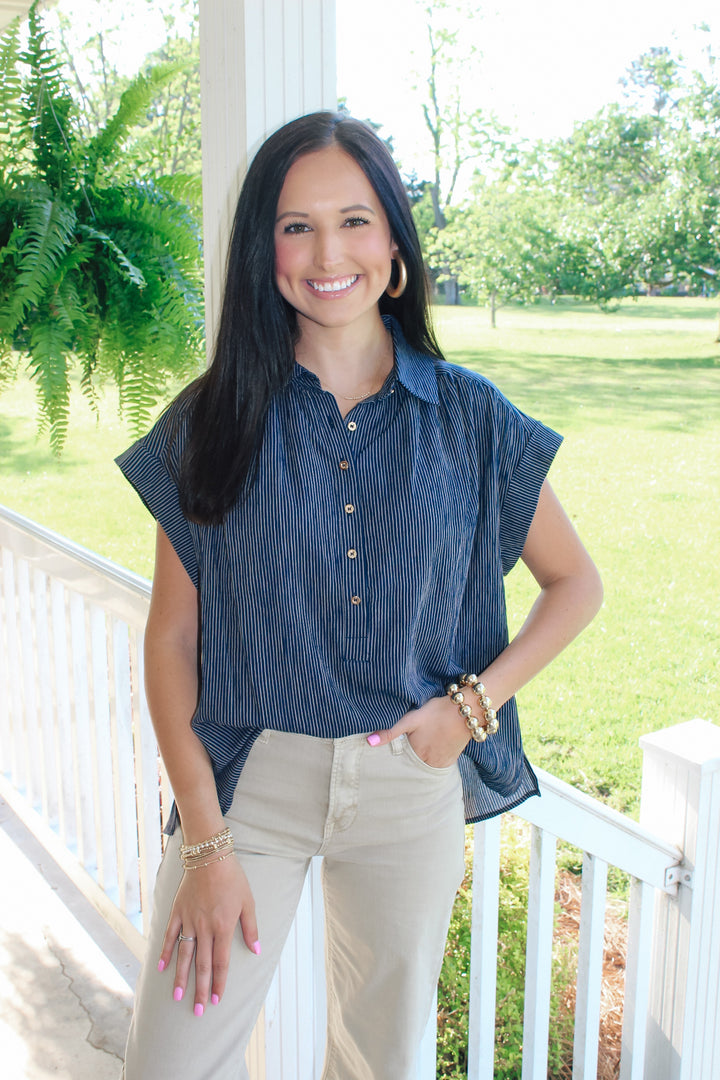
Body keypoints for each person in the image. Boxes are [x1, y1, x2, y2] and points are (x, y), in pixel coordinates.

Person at [116, 110, 603, 1080]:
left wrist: (473, 708)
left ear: (394, 248)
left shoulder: (470, 418)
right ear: (265, 250)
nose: (326, 251)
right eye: (295, 226)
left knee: (382, 1062)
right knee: (170, 1064)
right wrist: (206, 846)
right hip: (247, 789)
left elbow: (576, 585)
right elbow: (172, 642)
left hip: (408, 781)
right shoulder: (215, 419)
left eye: (354, 221)